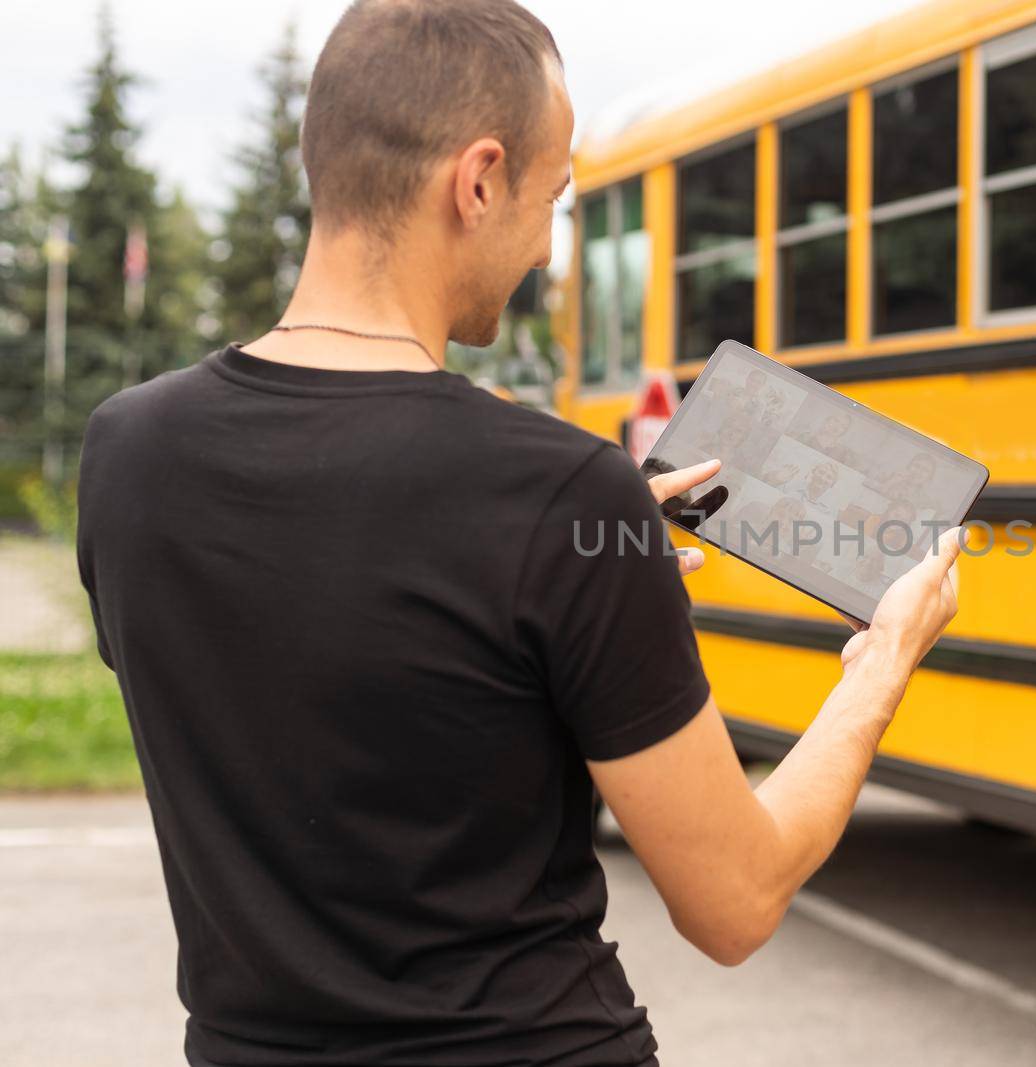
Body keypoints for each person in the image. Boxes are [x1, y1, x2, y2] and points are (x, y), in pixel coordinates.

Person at [73, 3, 962, 1067]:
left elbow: (325, 618)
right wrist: (883, 660)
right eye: (556, 196)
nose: (549, 244)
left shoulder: (128, 451)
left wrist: (576, 556)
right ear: (479, 179)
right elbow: (736, 898)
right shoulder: (555, 496)